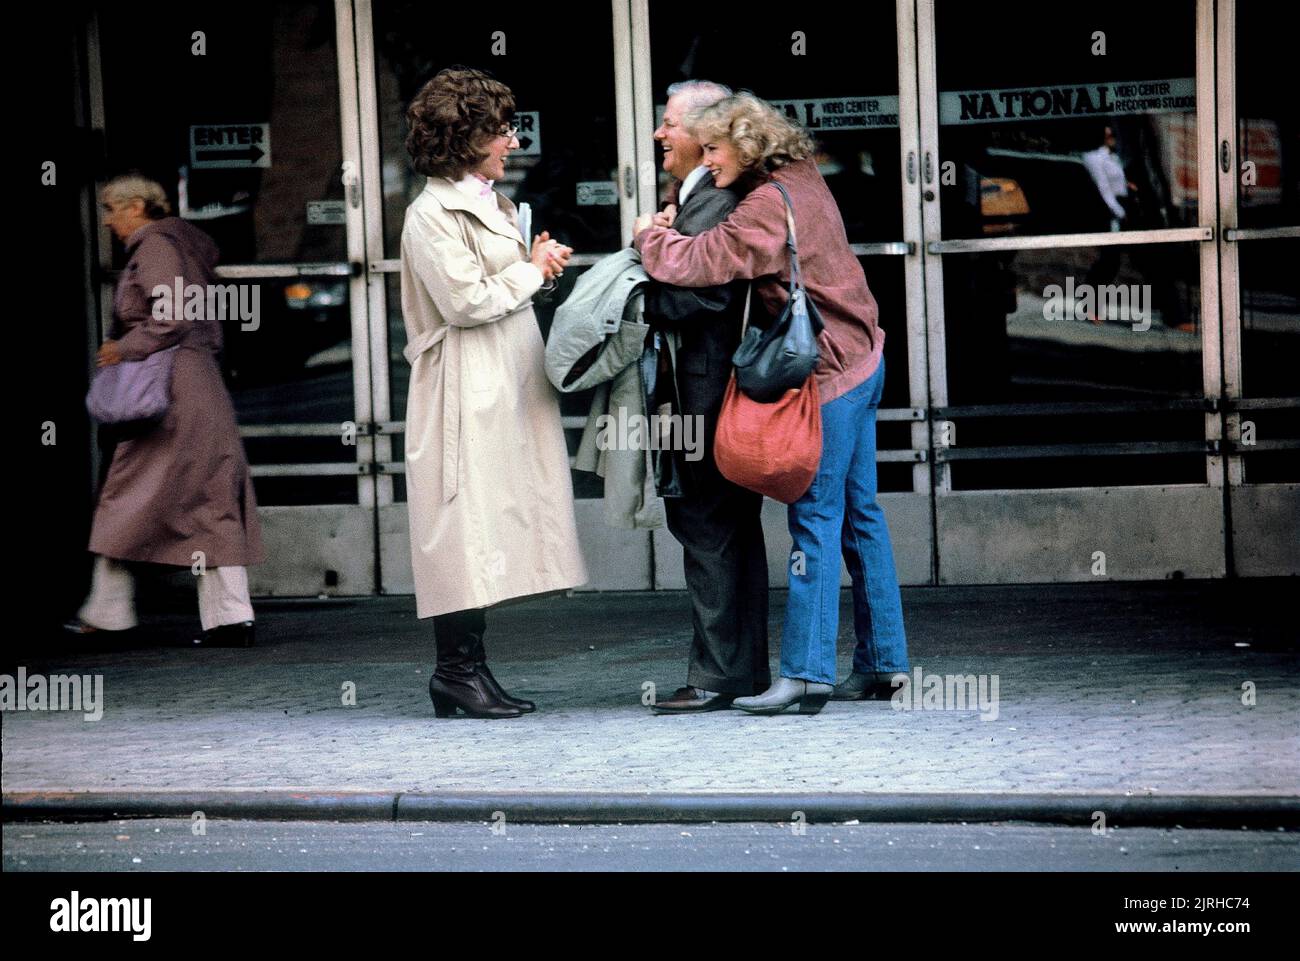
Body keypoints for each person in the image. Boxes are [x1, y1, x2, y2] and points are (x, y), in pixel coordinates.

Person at [633, 93, 910, 716]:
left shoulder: (765, 204)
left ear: (746, 145)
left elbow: (700, 260)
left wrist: (649, 237)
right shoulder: (804, 177)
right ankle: (884, 661)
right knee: (859, 515)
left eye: (713, 150)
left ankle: (806, 674)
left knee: (813, 518)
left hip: (830, 375)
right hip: (867, 356)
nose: (705, 163)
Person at [400, 66, 588, 719]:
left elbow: (496, 287)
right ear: (468, 135)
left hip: (499, 379)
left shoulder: (487, 201)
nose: (512, 140)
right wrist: (529, 271)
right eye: (501, 130)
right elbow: (464, 301)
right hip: (461, 385)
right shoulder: (432, 213)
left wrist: (536, 268)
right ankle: (456, 672)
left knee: (483, 526)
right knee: (460, 526)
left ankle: (467, 670)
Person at [67, 174, 264, 647]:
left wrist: (124, 347)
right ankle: (231, 617)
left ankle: (108, 612)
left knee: (126, 494)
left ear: (136, 206)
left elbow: (171, 313)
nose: (109, 221)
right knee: (209, 495)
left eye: (113, 209)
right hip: (195, 383)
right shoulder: (185, 244)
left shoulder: (155, 245)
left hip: (167, 387)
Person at [641, 80, 771, 714]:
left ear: (704, 134)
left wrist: (642, 275)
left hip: (701, 396)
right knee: (724, 528)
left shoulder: (714, 200)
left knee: (706, 526)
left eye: (670, 124)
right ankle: (739, 671)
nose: (660, 134)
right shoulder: (694, 197)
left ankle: (718, 675)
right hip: (700, 392)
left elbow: (701, 295)